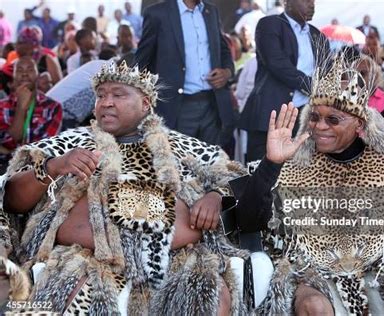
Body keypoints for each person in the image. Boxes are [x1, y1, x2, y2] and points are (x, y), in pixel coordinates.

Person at [0, 61, 247, 314]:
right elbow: (10, 198)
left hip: (177, 261)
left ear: (145, 104)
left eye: (118, 94)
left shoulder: (185, 148)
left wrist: (217, 195)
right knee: (67, 292)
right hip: (85, 260)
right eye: (100, 95)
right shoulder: (69, 144)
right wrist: (53, 166)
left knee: (213, 299)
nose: (106, 102)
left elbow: (234, 177)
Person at [236, 52, 384, 315]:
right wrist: (271, 163)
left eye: (333, 119)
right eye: (314, 117)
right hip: (309, 274)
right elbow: (247, 222)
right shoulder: (291, 167)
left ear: (359, 124)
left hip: (380, 271)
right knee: (314, 307)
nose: (319, 127)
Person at [135, 0, 235, 148]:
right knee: (179, 165)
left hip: (213, 105)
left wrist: (227, 72)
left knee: (212, 165)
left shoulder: (211, 11)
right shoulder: (158, 13)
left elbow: (224, 50)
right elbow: (142, 61)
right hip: (176, 107)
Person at [239, 0, 330, 162]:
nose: (311, 4)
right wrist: (313, 86)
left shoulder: (318, 36)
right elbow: (277, 64)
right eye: (306, 0)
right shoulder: (269, 25)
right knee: (261, 174)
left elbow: (327, 71)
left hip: (305, 118)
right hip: (271, 115)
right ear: (286, 2)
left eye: (313, 0)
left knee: (298, 177)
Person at [0, 56, 62, 173]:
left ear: (38, 75)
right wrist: (21, 108)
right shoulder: (1, 107)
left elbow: (42, 150)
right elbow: (8, 142)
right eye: (19, 70)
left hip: (36, 176)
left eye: (30, 69)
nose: (24, 74)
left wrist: (7, 151)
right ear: (13, 77)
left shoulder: (52, 107)